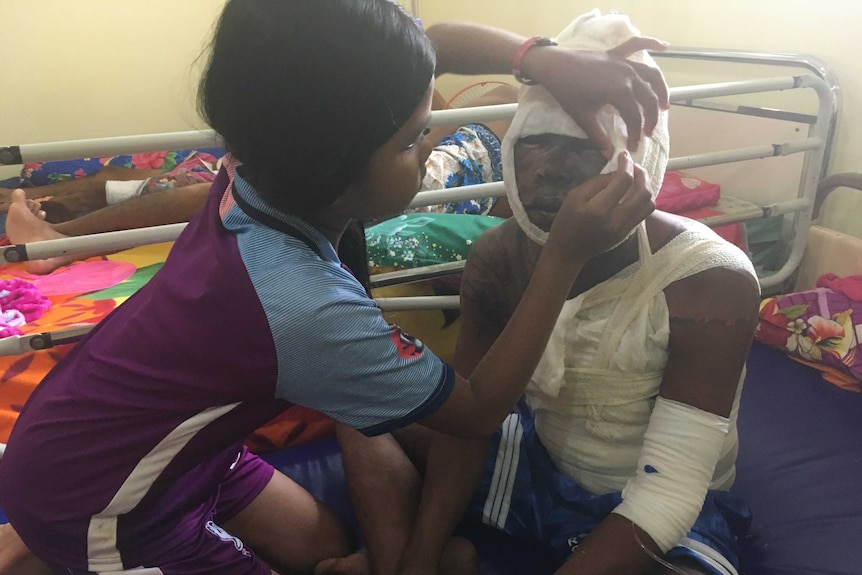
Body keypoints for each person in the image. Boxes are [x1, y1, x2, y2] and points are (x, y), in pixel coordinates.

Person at [0, 1, 667, 573]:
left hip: (167, 453)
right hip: (102, 499)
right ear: (338, 172)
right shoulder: (306, 304)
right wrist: (562, 258)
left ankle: (36, 529)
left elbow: (428, 46)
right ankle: (42, 538)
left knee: (323, 543)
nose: (429, 143)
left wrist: (542, 58)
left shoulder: (262, 162)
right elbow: (474, 410)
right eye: (413, 142)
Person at [324, 11, 760, 575]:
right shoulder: (499, 257)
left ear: (638, 167)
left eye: (582, 151)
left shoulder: (709, 281)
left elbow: (666, 499)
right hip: (536, 464)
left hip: (655, 511)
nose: (550, 173)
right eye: (535, 145)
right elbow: (468, 422)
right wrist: (418, 558)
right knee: (361, 411)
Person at [1, 85, 519, 275]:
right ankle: (63, 220)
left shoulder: (513, 117)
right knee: (212, 181)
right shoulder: (504, 103)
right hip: (404, 172)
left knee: (221, 188)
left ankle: (63, 236)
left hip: (414, 184)